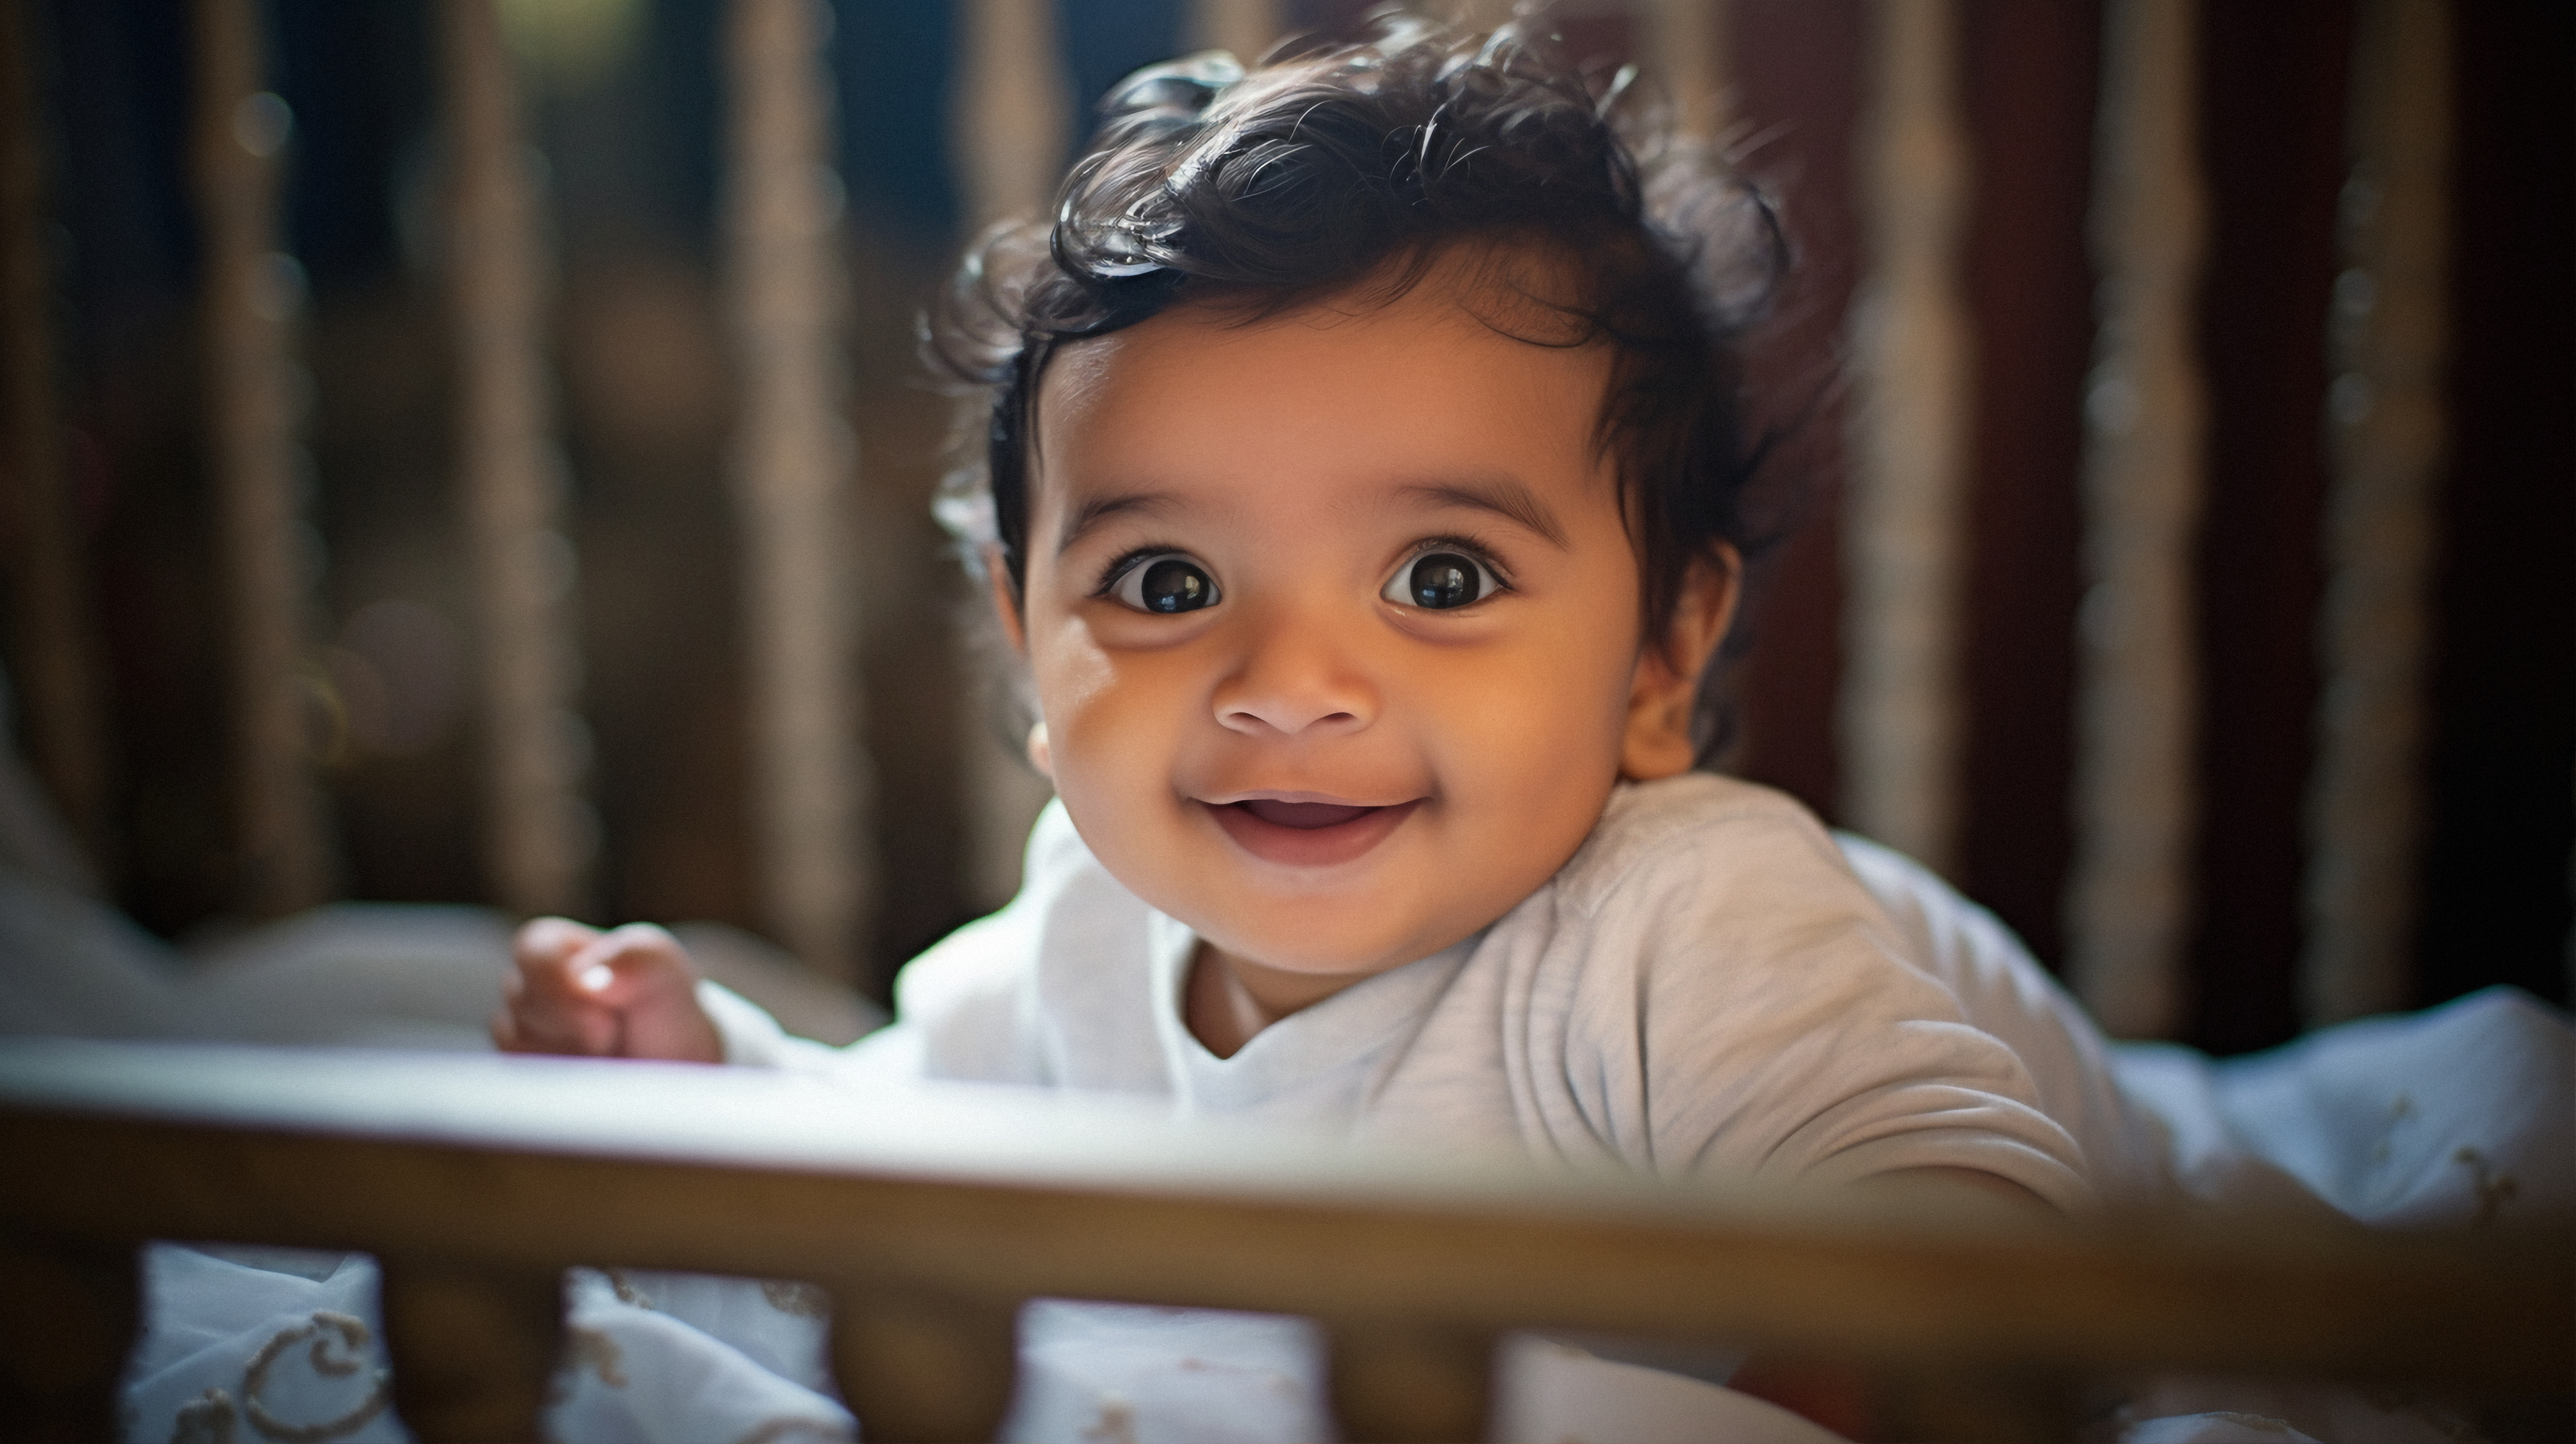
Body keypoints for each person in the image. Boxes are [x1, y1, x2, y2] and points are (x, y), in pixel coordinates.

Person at [494, 15, 2126, 1218]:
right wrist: (710, 1081)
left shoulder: (1684, 925)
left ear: (1662, 661)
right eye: (1168, 586)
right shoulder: (1088, 935)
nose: (1287, 685)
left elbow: (1956, 1236)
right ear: (1024, 643)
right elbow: (909, 1126)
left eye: (1441, 579)